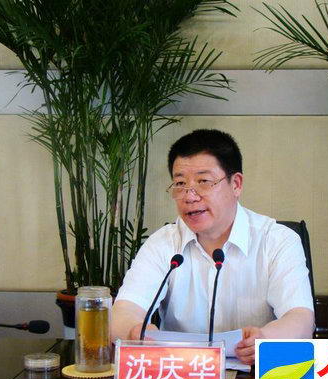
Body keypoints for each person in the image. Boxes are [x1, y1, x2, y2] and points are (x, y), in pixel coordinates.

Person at [110, 129, 314, 365]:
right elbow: (124, 311)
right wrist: (134, 332)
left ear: (236, 184)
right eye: (180, 183)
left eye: (204, 182)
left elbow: (300, 318)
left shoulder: (278, 240)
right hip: (181, 375)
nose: (189, 196)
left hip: (257, 376)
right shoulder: (163, 243)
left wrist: (266, 339)